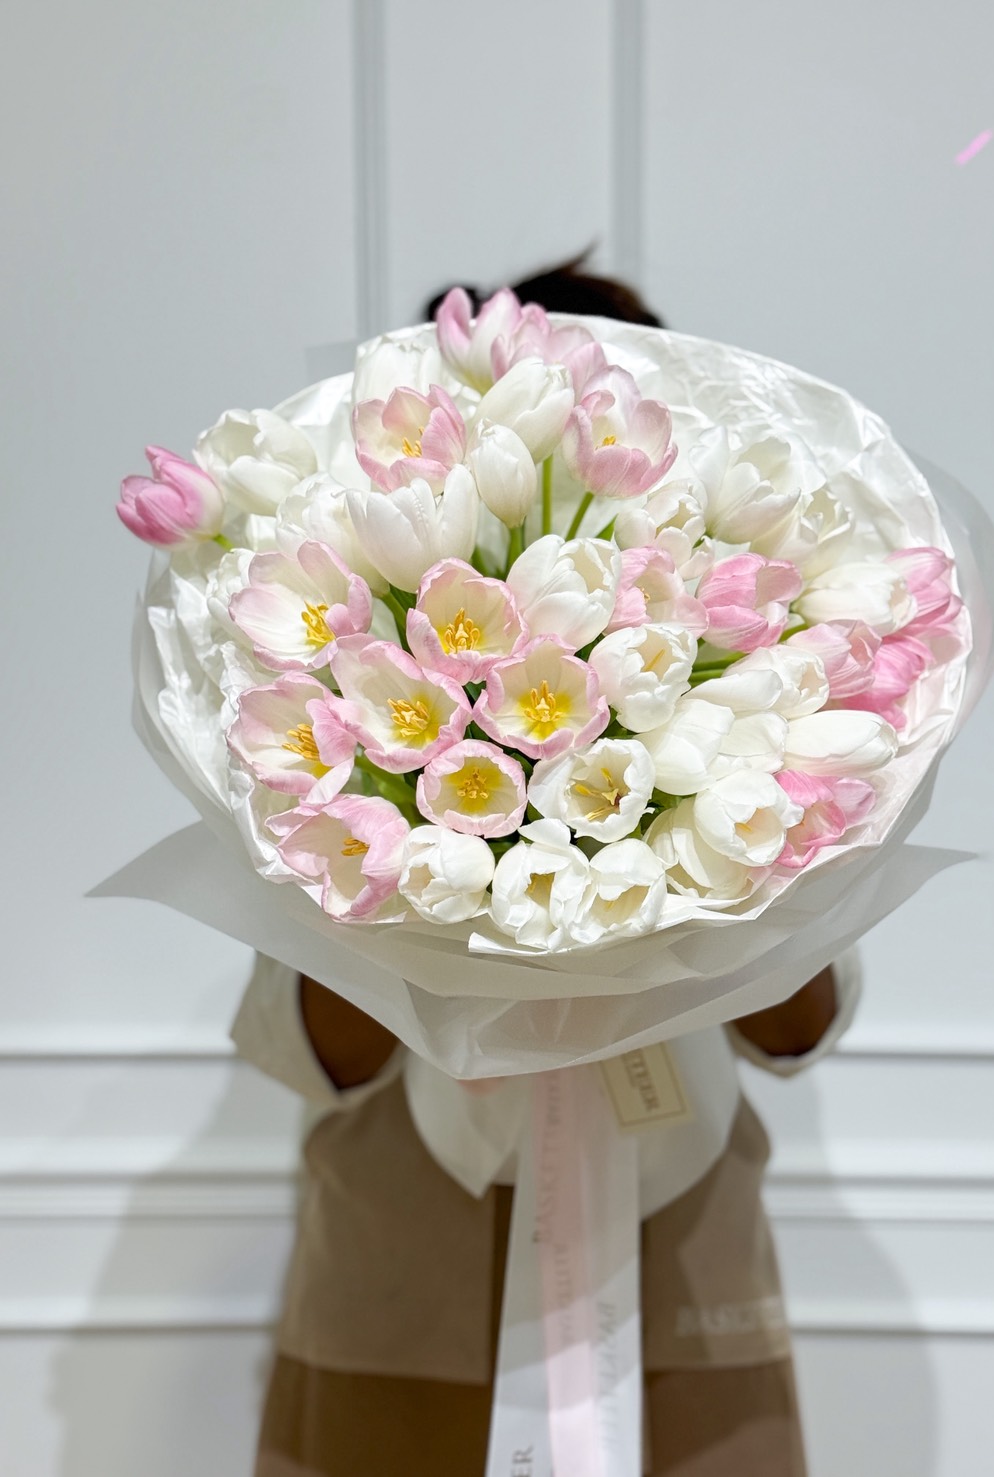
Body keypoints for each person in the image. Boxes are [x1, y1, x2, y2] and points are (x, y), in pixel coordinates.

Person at [234, 261, 863, 1477]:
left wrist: (709, 838)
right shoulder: (332, 719)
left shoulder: (752, 702)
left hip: (680, 1253)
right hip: (397, 1266)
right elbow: (306, 1049)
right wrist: (401, 841)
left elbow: (797, 1025)